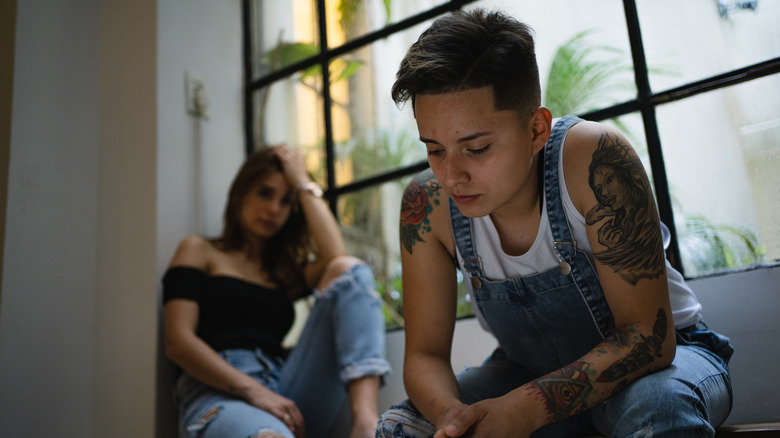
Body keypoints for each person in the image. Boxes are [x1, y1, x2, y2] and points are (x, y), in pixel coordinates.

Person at [377, 8, 733, 438]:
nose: (451, 175)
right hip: (524, 373)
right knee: (404, 427)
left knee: (657, 409)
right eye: (435, 149)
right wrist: (452, 418)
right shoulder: (426, 203)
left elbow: (650, 337)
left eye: (477, 148)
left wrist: (525, 410)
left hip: (663, 363)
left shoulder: (593, 159)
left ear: (536, 129)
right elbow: (425, 356)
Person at [163, 145, 391, 438]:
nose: (274, 209)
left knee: (350, 269)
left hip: (286, 388)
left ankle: (365, 424)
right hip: (219, 391)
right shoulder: (199, 250)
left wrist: (303, 184)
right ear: (241, 192)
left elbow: (338, 260)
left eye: (286, 201)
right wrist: (254, 391)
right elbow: (177, 342)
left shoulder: (284, 273)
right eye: (265, 193)